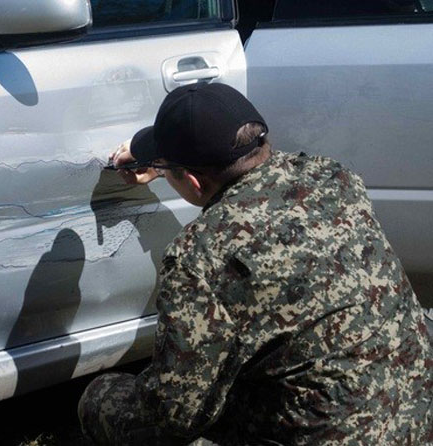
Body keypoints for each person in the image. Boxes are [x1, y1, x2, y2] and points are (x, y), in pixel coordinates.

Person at [78, 82, 432, 445]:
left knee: (104, 397)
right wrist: (156, 158)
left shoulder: (199, 255)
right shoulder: (334, 177)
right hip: (414, 419)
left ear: (195, 181)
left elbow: (176, 415)